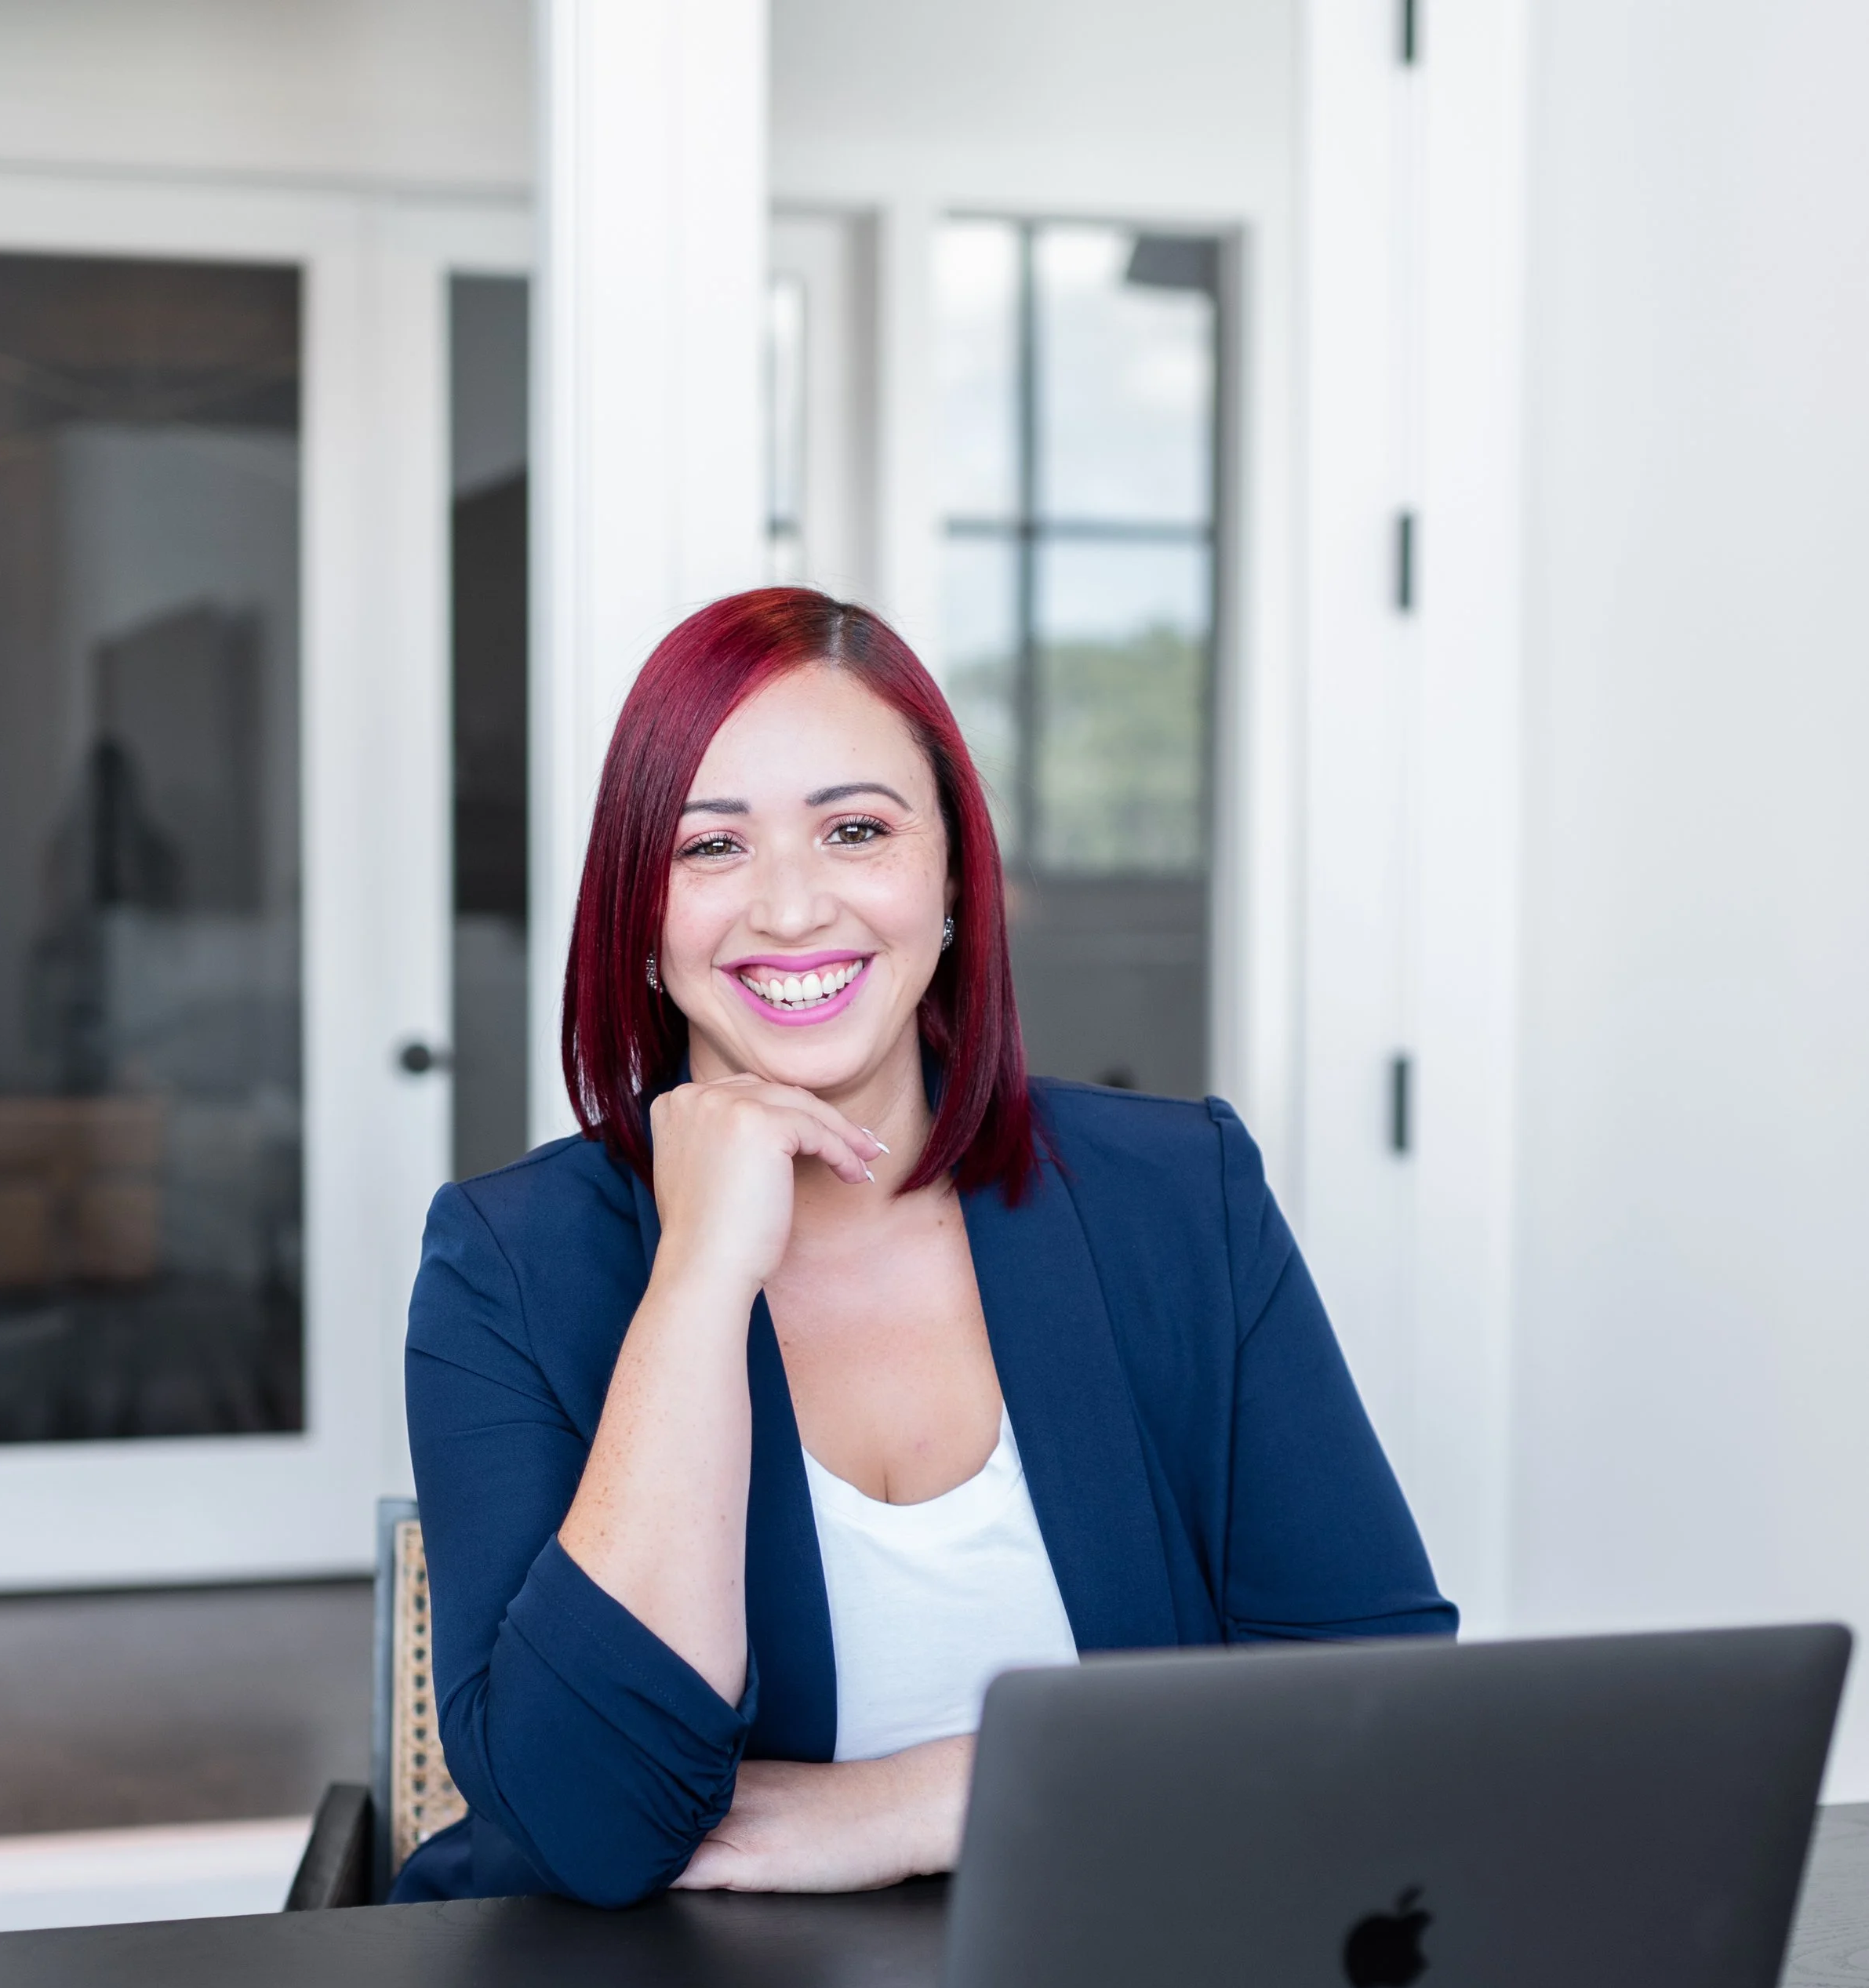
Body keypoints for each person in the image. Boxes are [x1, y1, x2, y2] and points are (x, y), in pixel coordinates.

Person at [393, 590, 1454, 1908]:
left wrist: (911, 1801)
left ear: (951, 876)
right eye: (711, 846)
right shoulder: (506, 1264)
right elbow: (589, 1833)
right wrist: (699, 1280)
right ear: (642, 923)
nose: (789, 908)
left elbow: (1375, 1704)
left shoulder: (1181, 1196)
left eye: (855, 830)